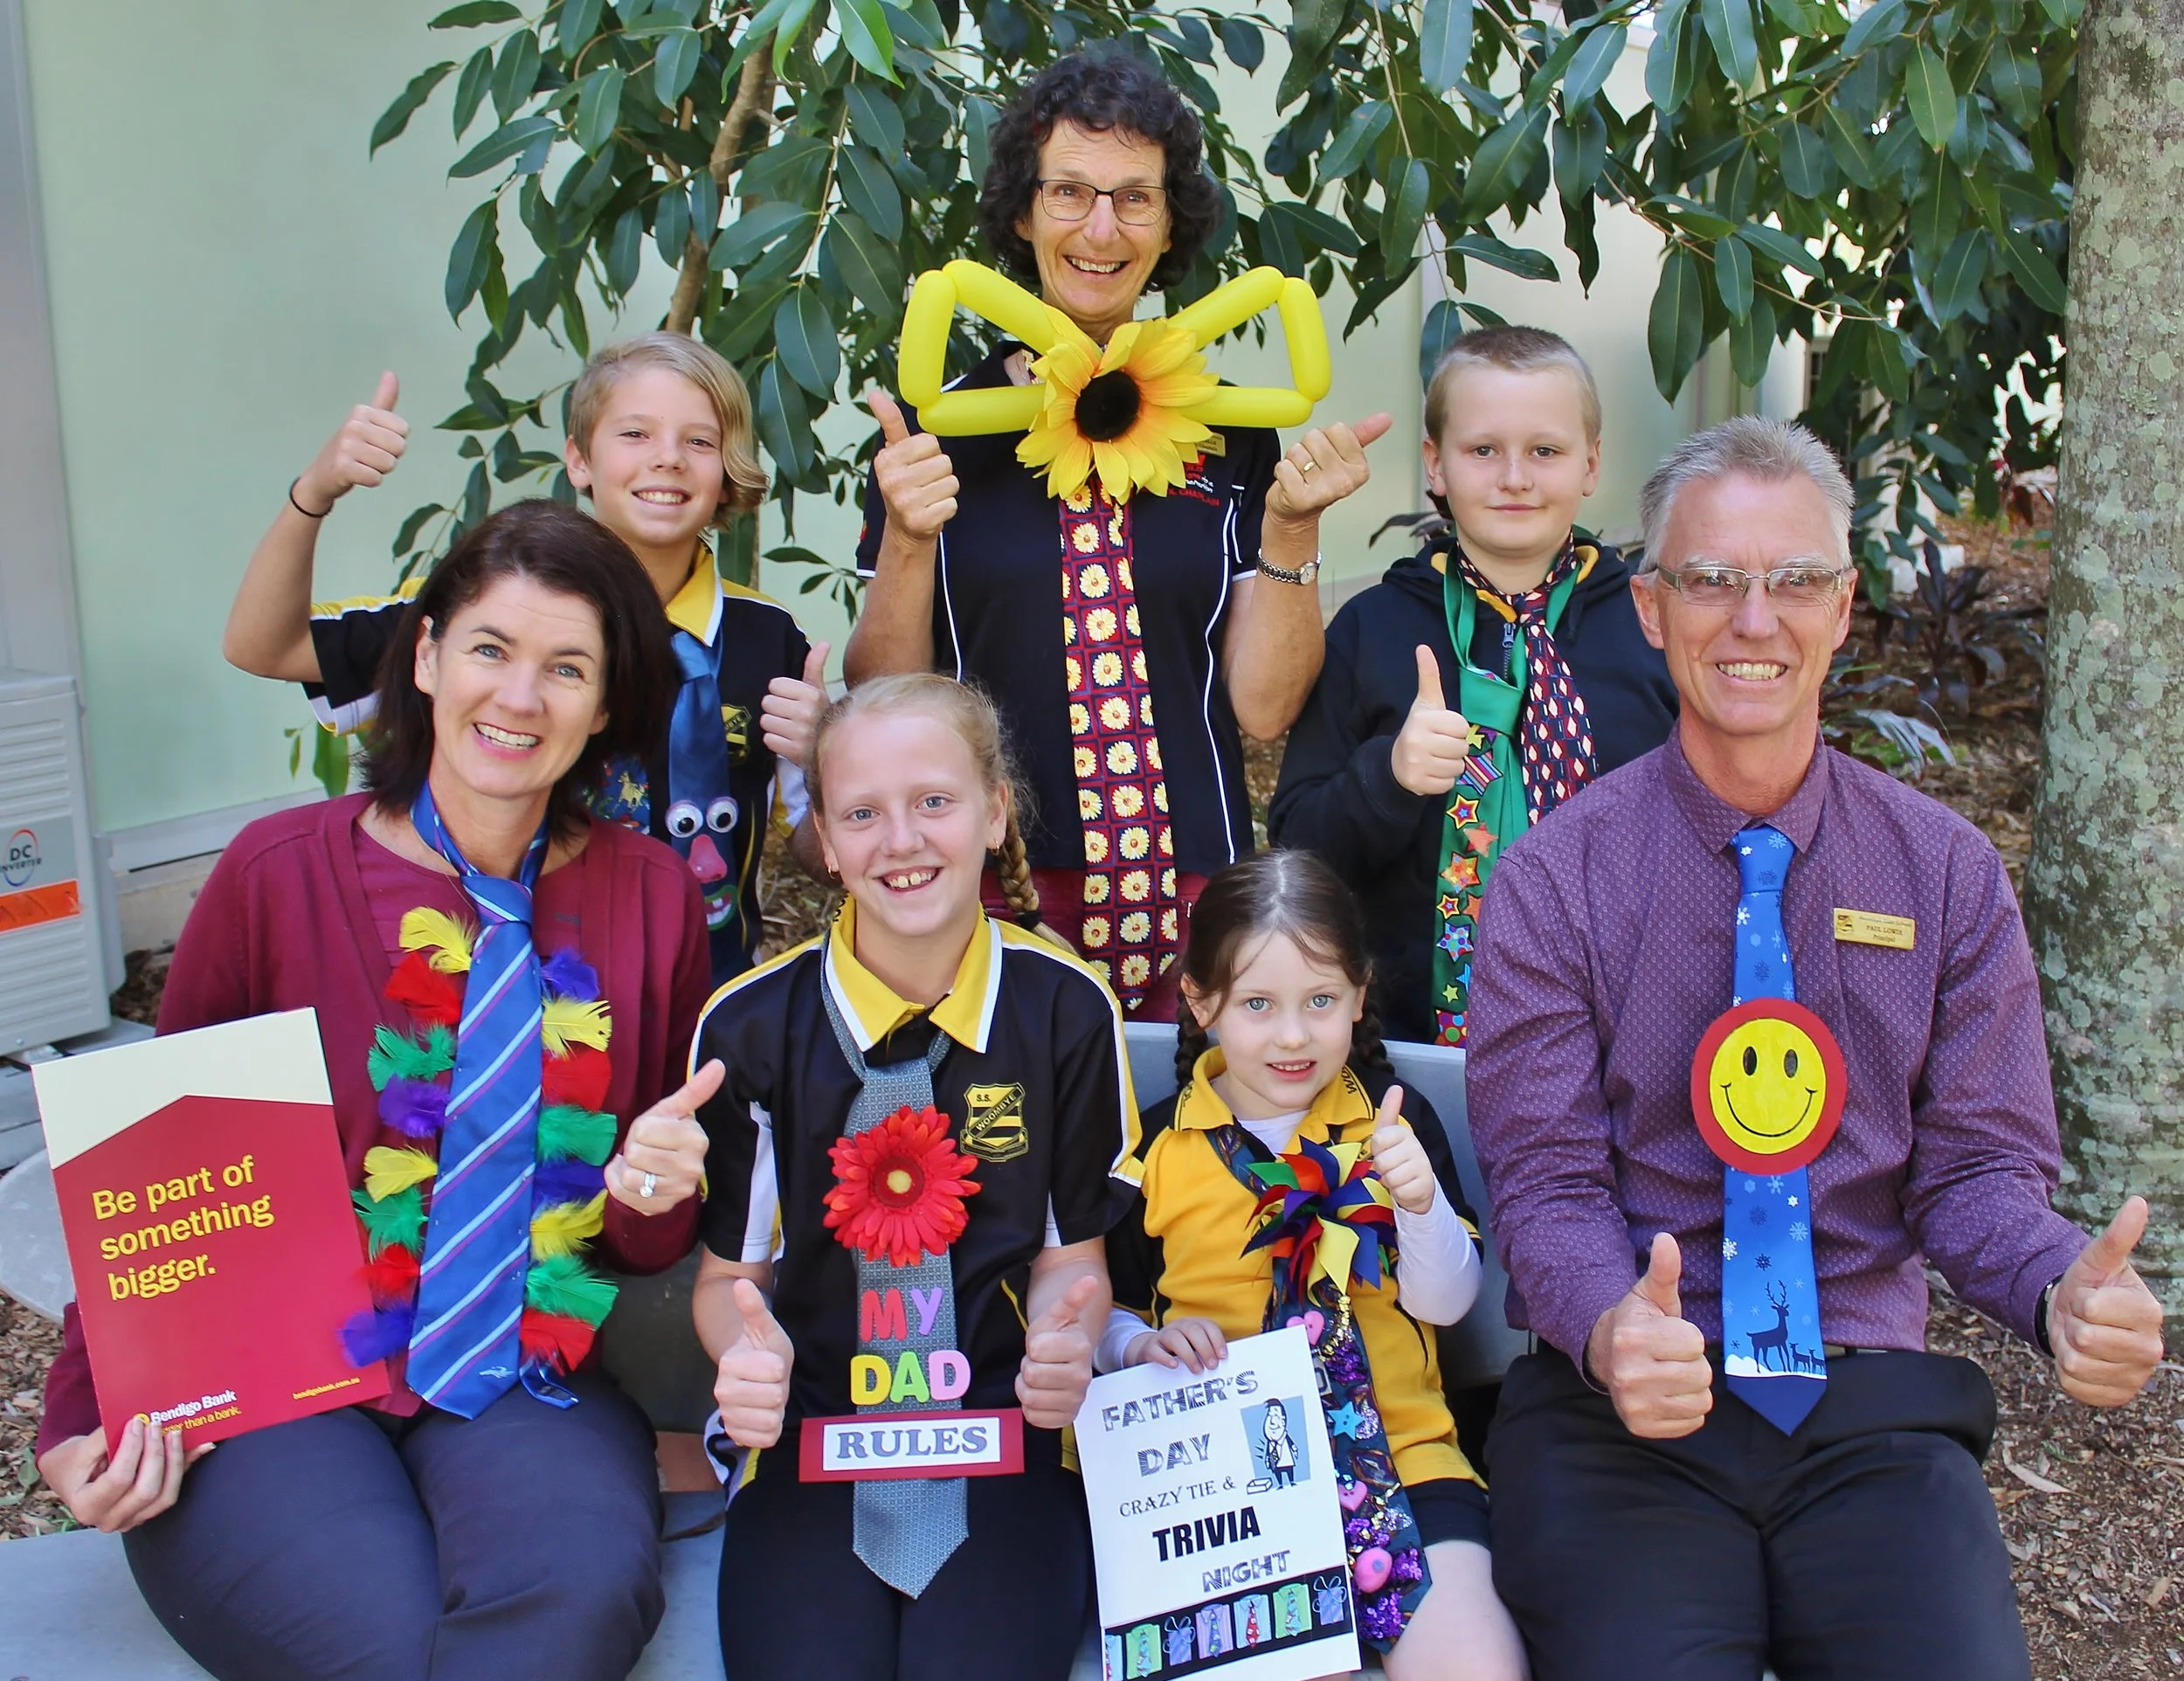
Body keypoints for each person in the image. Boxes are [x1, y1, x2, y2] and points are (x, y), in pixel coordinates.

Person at [1465, 416, 2169, 1681]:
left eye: (1794, 580)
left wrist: (2053, 1285)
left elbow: (1973, 1174)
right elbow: (1547, 1183)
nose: (1754, 619)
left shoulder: (1946, 874)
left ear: (1844, 607)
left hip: (1866, 1412)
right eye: (1713, 580)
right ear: (1653, 608)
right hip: (1629, 1413)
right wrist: (1615, 1327)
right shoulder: (1559, 877)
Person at [36, 501, 722, 1681]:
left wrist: (651, 1188)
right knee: (403, 1650)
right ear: (423, 658)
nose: (520, 696)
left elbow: (638, 1240)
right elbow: (145, 1168)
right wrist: (83, 1414)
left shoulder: (652, 900)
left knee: (575, 1592)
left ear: (607, 700)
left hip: (525, 1376)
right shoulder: (276, 873)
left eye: (567, 667)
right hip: (270, 1383)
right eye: (489, 649)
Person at [846, 44, 1391, 1019]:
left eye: (1135, 197)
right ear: (1021, 210)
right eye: (1069, 192)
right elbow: (886, 695)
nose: (1102, 228)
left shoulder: (1231, 432)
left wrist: (1294, 528)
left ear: (1170, 221)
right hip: (991, 890)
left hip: (1196, 890)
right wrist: (906, 537)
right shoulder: (935, 436)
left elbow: (1263, 711)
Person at [689, 673, 1135, 1681]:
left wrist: (1070, 1337)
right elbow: (727, 1284)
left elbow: (1070, 1259)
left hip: (1002, 1442)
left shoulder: (1064, 1007)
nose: (903, 839)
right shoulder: (749, 1027)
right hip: (811, 1443)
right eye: (861, 813)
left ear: (994, 811)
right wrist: (741, 1364)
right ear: (826, 845)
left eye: (934, 800)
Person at [222, 331, 827, 982]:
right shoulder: (487, 610)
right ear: (579, 459)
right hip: (498, 989)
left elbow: (820, 854)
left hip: (705, 997)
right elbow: (266, 646)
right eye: (635, 434)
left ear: (728, 467)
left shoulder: (771, 640)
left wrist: (827, 762)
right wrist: (315, 492)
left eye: (699, 441)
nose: (668, 459)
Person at [1103, 850, 1532, 1681]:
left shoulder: (1387, 1125)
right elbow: (1101, 1312)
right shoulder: (1157, 1153)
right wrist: (1140, 1344)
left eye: (1321, 1001)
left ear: (1361, 995)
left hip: (1406, 1465)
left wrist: (1418, 1208)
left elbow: (1450, 1305)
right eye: (1257, 1004)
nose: (1291, 1035)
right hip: (1235, 1495)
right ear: (1200, 1001)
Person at [1269, 325, 1675, 1046]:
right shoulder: (1373, 630)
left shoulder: (1655, 631)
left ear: (1591, 463)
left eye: (1545, 451)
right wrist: (1387, 779)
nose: (1514, 477)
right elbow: (1298, 852)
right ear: (1435, 464)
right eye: (1483, 450)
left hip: (1627, 1040)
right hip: (1409, 1047)